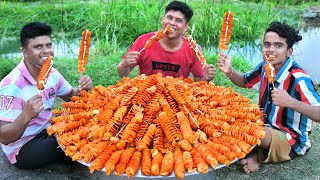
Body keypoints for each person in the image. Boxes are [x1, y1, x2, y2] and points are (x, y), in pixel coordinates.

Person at [217, 21, 320, 174]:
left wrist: (291, 102)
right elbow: (244, 81)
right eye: (267, 44)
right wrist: (229, 71)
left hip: (289, 137)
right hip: (264, 125)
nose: (270, 50)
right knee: (229, 120)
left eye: (278, 46)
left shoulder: (299, 79)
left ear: (289, 51)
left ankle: (257, 156)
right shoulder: (265, 67)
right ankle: (254, 149)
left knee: (254, 132)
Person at [0, 22, 93, 169]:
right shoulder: (12, 86)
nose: (46, 51)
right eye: (38, 47)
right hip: (23, 148)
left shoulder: (52, 74)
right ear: (24, 51)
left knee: (91, 123)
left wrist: (83, 89)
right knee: (80, 138)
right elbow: (4, 137)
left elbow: (70, 96)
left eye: (49, 45)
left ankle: (66, 157)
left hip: (48, 130)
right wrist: (26, 115)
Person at [117, 0, 216, 82]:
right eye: (169, 17)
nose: (172, 23)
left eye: (179, 20)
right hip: (146, 94)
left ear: (185, 27)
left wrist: (206, 78)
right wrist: (124, 63)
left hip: (177, 96)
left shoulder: (193, 49)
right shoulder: (143, 41)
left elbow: (199, 80)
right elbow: (122, 74)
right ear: (162, 19)